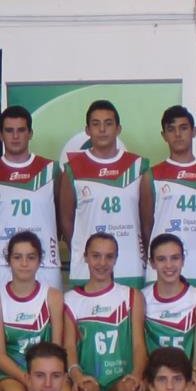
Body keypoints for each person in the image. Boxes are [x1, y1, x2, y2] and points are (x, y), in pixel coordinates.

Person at [65, 100, 151, 288]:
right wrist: (81, 250)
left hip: (130, 265)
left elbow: (147, 219)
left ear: (118, 128)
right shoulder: (73, 168)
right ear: (87, 130)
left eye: (108, 123)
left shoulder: (138, 166)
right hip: (87, 268)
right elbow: (66, 220)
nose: (102, 129)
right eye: (96, 124)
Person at [63, 232, 149, 391]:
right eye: (96, 256)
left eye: (109, 257)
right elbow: (69, 347)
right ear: (85, 257)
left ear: (116, 259)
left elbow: (139, 345)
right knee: (88, 388)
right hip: (87, 376)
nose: (102, 263)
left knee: (129, 387)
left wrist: (137, 374)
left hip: (120, 379)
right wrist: (77, 376)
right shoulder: (70, 299)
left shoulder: (131, 295)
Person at [0, 107, 64, 290]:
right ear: (1, 135)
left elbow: (62, 217)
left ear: (31, 133)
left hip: (44, 263)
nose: (15, 136)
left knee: (47, 318)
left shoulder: (51, 170)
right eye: (9, 131)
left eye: (21, 130)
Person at [0, 231, 62, 391]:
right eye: (18, 257)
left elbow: (57, 348)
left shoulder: (53, 297)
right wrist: (26, 378)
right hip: (11, 374)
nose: (24, 263)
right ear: (8, 260)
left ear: (39, 260)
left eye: (30, 257)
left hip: (46, 372)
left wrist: (42, 377)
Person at [150, 106, 196, 287]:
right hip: (163, 265)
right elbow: (146, 223)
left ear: (194, 131)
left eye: (183, 128)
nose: (178, 134)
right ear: (163, 135)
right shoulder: (152, 174)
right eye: (171, 129)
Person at [138, 234, 196, 391]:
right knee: (132, 389)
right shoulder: (142, 298)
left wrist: (194, 372)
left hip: (184, 374)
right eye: (161, 259)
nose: (169, 265)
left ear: (183, 260)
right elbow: (138, 346)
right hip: (153, 375)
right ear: (152, 263)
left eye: (174, 258)